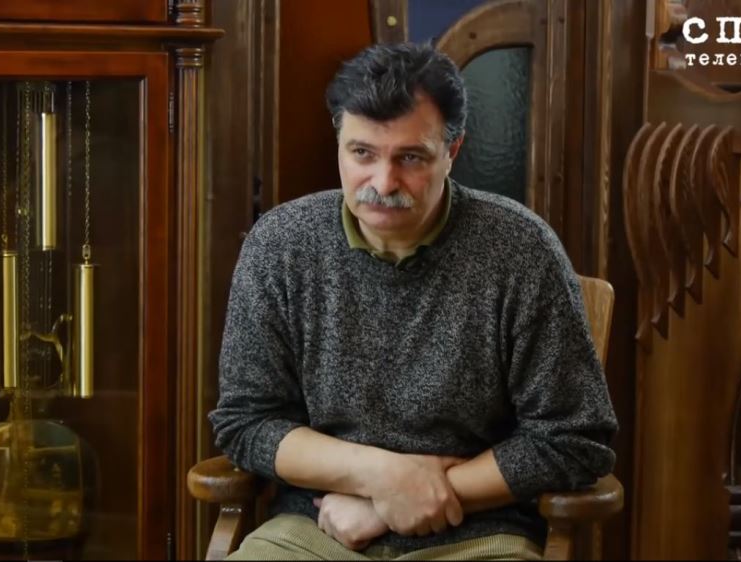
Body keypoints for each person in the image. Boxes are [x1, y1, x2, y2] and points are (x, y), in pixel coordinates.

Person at [208, 42, 618, 561]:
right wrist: (383, 476)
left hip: (478, 536)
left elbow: (574, 439)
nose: (383, 183)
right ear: (339, 142)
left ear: (453, 151)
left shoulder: (521, 250)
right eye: (362, 153)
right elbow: (247, 423)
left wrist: (395, 504)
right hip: (317, 528)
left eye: (410, 157)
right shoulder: (280, 245)